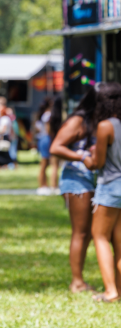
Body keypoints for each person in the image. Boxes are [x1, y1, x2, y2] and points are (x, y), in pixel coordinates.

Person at [50, 88, 97, 294]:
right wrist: (82, 157)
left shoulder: (99, 121)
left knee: (91, 233)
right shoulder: (77, 121)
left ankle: (80, 279)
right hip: (77, 180)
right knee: (81, 232)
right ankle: (77, 282)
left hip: (93, 180)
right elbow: (56, 147)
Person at [84, 82, 121, 302]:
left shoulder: (106, 125)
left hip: (111, 186)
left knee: (99, 236)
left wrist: (86, 157)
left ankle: (111, 291)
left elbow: (97, 163)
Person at [35, 97, 59, 195]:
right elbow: (49, 130)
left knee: (44, 164)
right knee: (53, 164)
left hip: (42, 139)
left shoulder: (42, 115)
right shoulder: (49, 115)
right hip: (48, 139)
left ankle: (43, 186)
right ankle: (53, 186)